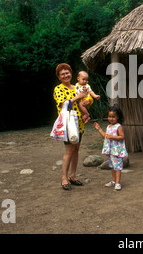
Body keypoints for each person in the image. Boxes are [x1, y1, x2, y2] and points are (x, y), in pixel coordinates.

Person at [53, 63, 88, 191]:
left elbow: (82, 104)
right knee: (69, 150)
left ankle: (73, 176)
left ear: (71, 73)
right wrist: (78, 97)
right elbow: (63, 104)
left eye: (67, 72)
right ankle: (64, 178)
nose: (66, 75)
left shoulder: (76, 87)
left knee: (76, 150)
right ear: (59, 76)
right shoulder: (59, 89)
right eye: (62, 73)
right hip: (68, 124)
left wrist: (86, 104)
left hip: (79, 123)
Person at [93, 105, 128, 191]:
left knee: (118, 167)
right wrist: (99, 129)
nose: (111, 118)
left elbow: (122, 137)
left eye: (113, 117)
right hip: (111, 150)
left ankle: (118, 183)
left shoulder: (118, 126)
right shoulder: (108, 126)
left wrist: (112, 137)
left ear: (118, 117)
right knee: (112, 166)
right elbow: (105, 136)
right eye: (109, 116)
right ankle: (113, 181)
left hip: (116, 150)